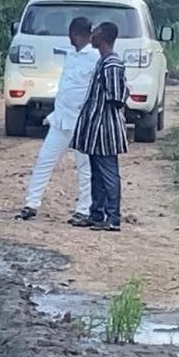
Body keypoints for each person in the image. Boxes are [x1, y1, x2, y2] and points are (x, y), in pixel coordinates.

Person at [17, 17, 99, 224]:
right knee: (44, 160)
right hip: (60, 119)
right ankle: (31, 204)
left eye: (71, 35)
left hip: (81, 121)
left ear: (76, 34)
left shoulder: (96, 57)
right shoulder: (71, 54)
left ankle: (84, 209)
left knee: (84, 167)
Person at [70, 21, 129, 232]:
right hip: (97, 127)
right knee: (97, 173)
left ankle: (113, 218)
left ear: (102, 37)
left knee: (108, 174)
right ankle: (97, 214)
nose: (91, 36)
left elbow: (116, 97)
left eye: (94, 33)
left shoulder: (111, 63)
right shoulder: (104, 61)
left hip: (105, 128)